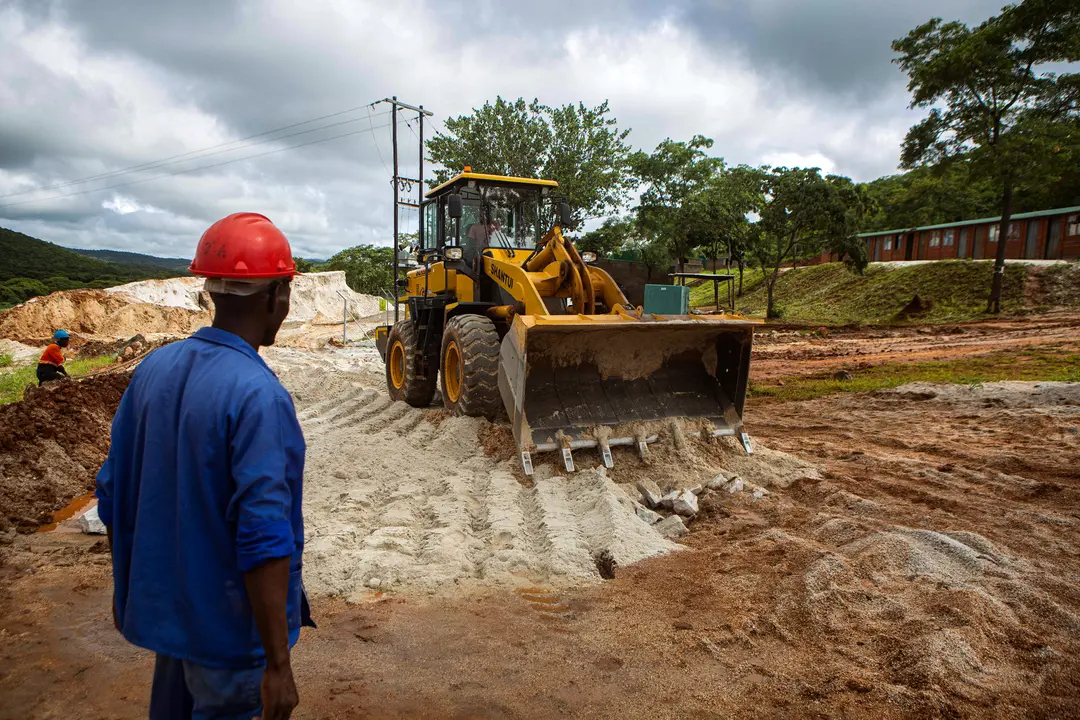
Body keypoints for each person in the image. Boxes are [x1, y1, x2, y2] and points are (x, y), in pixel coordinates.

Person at [96, 212, 312, 720]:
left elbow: (111, 493)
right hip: (229, 637)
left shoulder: (153, 369)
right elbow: (263, 536)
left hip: (172, 622)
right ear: (278, 296)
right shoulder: (259, 395)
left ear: (211, 291)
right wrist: (278, 665)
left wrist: (125, 589)